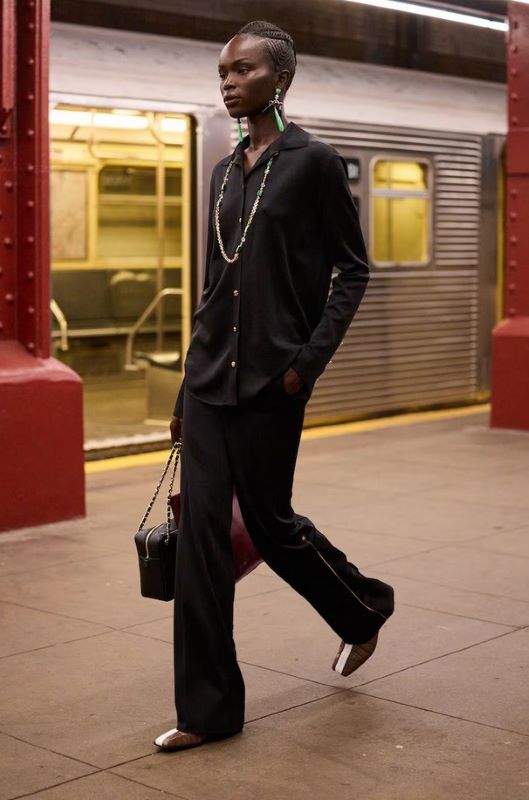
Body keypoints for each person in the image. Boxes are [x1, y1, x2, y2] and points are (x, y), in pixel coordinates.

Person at [154, 20, 394, 753]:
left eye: (243, 70)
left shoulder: (313, 163)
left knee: (268, 526)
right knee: (200, 541)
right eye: (222, 72)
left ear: (279, 79)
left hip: (271, 383)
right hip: (208, 383)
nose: (228, 83)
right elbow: (212, 285)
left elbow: (353, 271)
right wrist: (182, 390)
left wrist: (304, 365)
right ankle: (207, 712)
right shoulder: (224, 172)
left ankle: (362, 607)